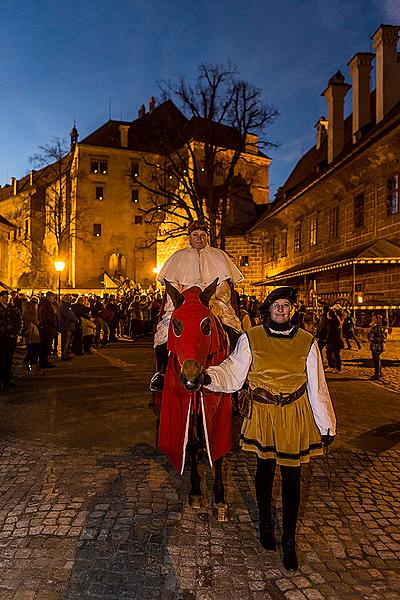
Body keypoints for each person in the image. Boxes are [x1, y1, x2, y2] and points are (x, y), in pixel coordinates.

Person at [202, 286, 336, 571]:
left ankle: (289, 540)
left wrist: (326, 423)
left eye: (286, 305)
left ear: (292, 310)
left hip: (294, 413)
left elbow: (317, 385)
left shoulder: (306, 341)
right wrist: (207, 376)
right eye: (277, 305)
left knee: (292, 476)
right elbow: (233, 373)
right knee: (265, 470)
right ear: (268, 309)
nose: (282, 310)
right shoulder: (252, 339)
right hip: (264, 413)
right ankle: (265, 520)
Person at [150, 220, 243, 391]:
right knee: (163, 332)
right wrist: (179, 302)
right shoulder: (178, 257)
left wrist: (214, 301)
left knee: (234, 330)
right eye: (195, 235)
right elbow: (172, 284)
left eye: (202, 235)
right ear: (189, 237)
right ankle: (161, 373)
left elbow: (224, 285)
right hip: (184, 304)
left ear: (206, 237)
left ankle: (238, 373)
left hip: (212, 302)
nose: (199, 238)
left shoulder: (219, 256)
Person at [0, 289, 22, 389]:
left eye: (7, 297)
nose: (5, 299)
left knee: (9, 359)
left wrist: (16, 333)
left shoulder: (14, 309)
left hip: (11, 337)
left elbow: (19, 321)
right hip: (1, 337)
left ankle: (7, 378)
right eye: (3, 297)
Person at [367, 314, 387, 381]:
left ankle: (377, 374)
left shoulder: (378, 328)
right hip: (376, 346)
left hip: (377, 346)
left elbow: (381, 338)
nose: (373, 319)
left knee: (376, 360)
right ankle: (380, 372)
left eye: (374, 319)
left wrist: (370, 335)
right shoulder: (377, 327)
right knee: (377, 359)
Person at [325, 308, 344, 372]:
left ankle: (334, 367)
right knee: (335, 354)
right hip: (336, 340)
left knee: (332, 353)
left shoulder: (333, 322)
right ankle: (336, 367)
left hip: (334, 341)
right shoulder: (336, 320)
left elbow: (331, 332)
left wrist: (327, 340)